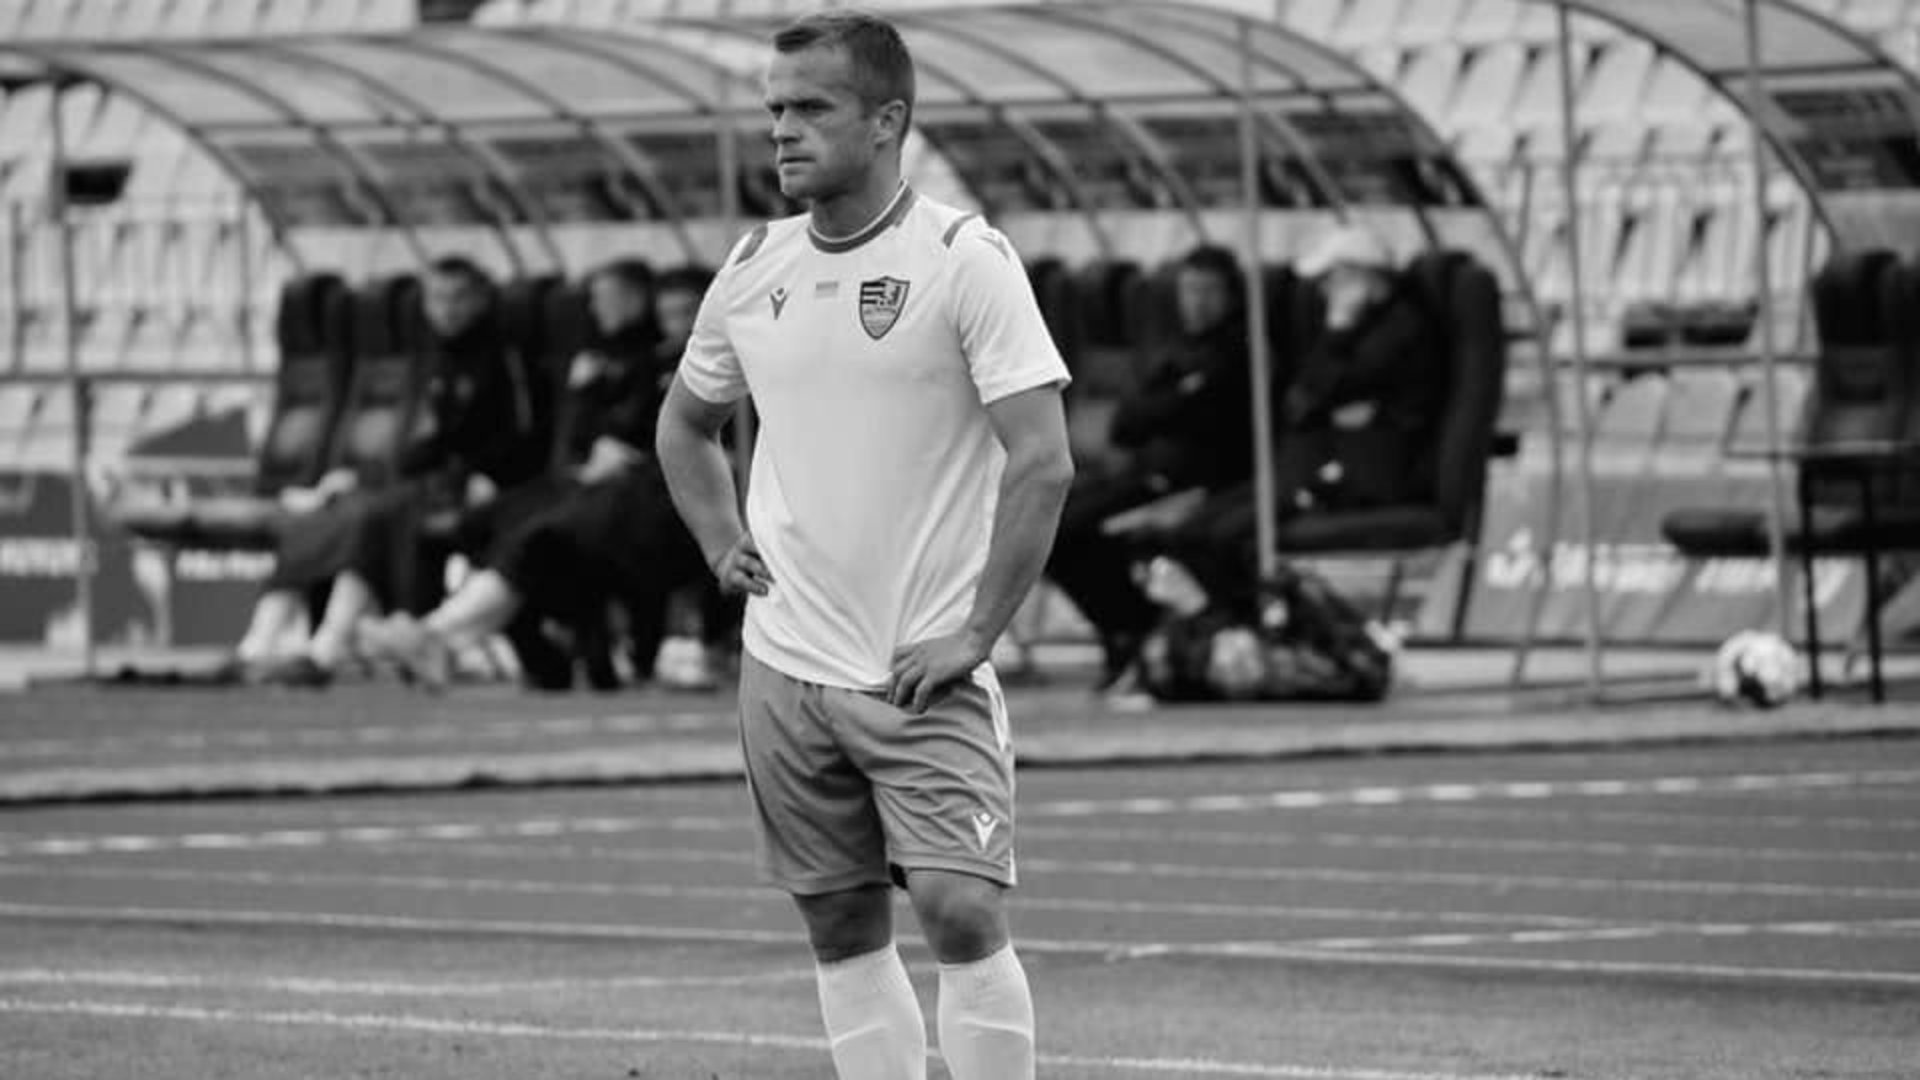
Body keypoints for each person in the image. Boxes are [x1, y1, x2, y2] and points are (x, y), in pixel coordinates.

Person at [654, 12, 1073, 1079]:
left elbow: (1043, 461)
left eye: (811, 107)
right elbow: (684, 425)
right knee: (840, 925)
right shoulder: (754, 264)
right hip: (785, 661)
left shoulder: (965, 259)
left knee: (961, 909)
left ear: (887, 122)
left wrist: (976, 633)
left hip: (919, 663)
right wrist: (720, 541)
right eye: (775, 109)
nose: (782, 130)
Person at [363, 258, 704, 691]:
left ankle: (438, 636)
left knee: (539, 536)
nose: (675, 324)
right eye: (668, 313)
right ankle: (460, 642)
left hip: (652, 495)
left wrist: (636, 454)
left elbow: (694, 437)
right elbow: (587, 435)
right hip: (594, 485)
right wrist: (587, 396)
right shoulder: (637, 362)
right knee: (486, 522)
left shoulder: (711, 367)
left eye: (685, 312)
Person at [244, 255, 551, 686]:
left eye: (458, 298)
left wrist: (486, 475)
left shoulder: (505, 355)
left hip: (484, 487)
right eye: (437, 299)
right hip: (431, 483)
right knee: (337, 513)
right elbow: (429, 445)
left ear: (481, 300)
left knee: (377, 515)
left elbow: (527, 435)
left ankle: (331, 647)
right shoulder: (436, 358)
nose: (447, 309)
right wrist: (365, 475)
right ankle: (261, 645)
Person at [1158, 223, 1444, 613]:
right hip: (1313, 465)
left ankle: (1254, 623)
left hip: (1358, 475)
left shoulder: (1398, 331)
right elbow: (1302, 401)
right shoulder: (1359, 332)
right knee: (1193, 532)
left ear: (1359, 279)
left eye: (1331, 281)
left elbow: (1314, 395)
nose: (1324, 292)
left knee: (1224, 536)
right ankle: (1237, 623)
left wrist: (1338, 331)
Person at [1043, 244, 1252, 687]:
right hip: (1147, 473)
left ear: (1230, 295)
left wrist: (1171, 406)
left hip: (1196, 484)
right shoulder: (1176, 351)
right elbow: (1128, 422)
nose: (1197, 302)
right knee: (1050, 523)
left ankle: (1135, 630)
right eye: (1190, 290)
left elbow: (1191, 416)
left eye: (1209, 291)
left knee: (1077, 531)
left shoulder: (1241, 352)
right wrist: (1177, 401)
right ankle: (1123, 628)